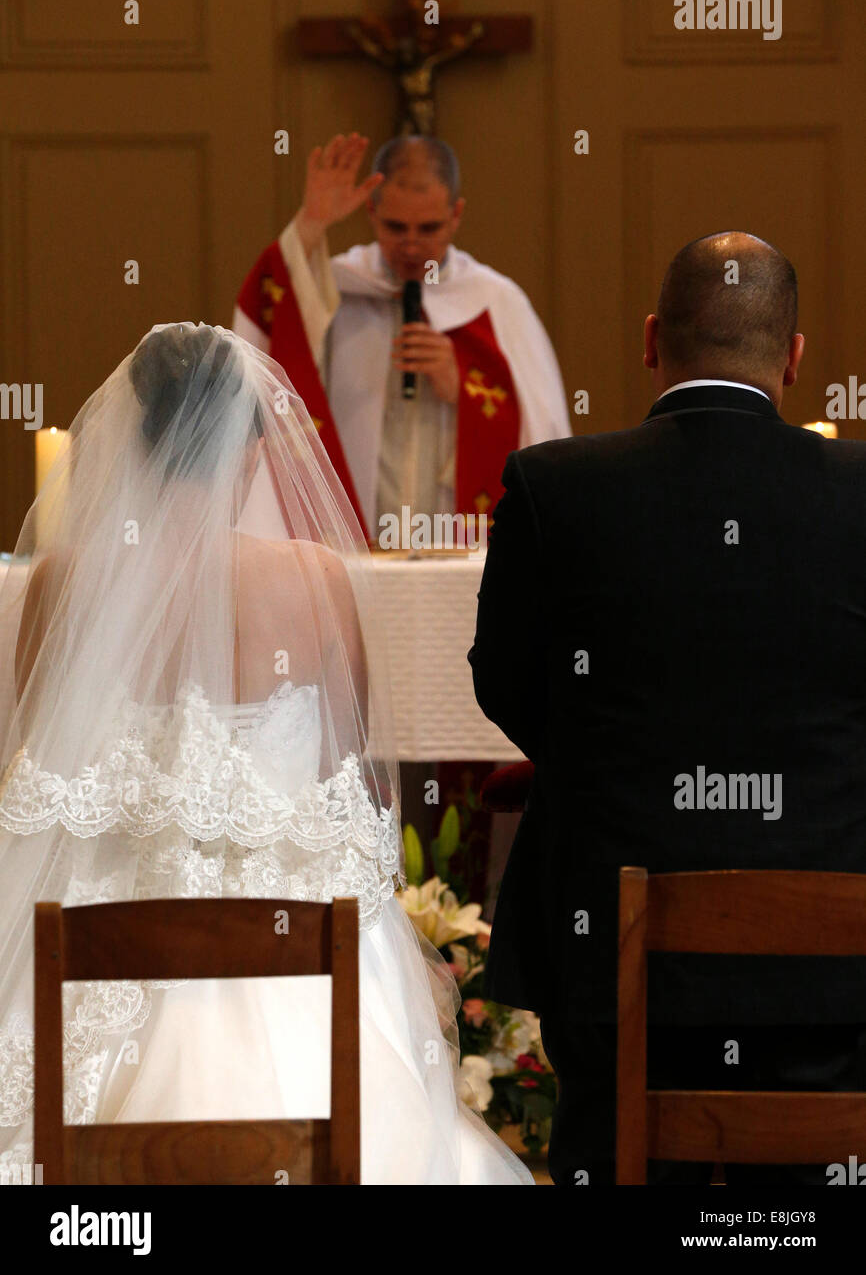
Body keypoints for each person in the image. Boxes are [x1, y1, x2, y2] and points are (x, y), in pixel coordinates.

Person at [0, 322, 532, 1186]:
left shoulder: (63, 581)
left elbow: (39, 759)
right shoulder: (316, 579)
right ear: (252, 451)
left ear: (133, 437)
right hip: (290, 940)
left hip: (95, 937)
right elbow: (343, 769)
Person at [469, 232, 866, 1185]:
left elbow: (504, 681)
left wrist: (615, 766)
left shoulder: (553, 487)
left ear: (652, 340)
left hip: (611, 946)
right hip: (832, 960)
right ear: (795, 356)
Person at [233, 133, 571, 539]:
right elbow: (272, 348)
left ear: (456, 216)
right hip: (353, 538)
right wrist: (312, 222)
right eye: (395, 227)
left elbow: (544, 438)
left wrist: (465, 388)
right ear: (372, 213)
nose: (411, 245)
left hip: (453, 540)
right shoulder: (334, 288)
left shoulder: (497, 302)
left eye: (428, 228)